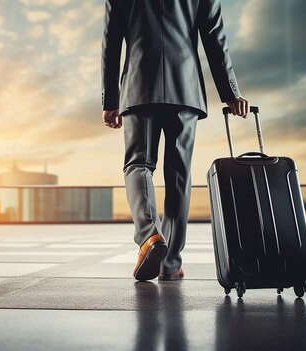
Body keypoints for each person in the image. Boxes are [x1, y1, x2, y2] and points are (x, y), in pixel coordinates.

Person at [101, 0, 249, 281]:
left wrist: (110, 99)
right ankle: (170, 263)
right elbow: (214, 37)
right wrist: (230, 93)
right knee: (179, 174)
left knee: (138, 164)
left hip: (139, 83)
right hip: (185, 87)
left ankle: (149, 236)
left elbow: (112, 40)